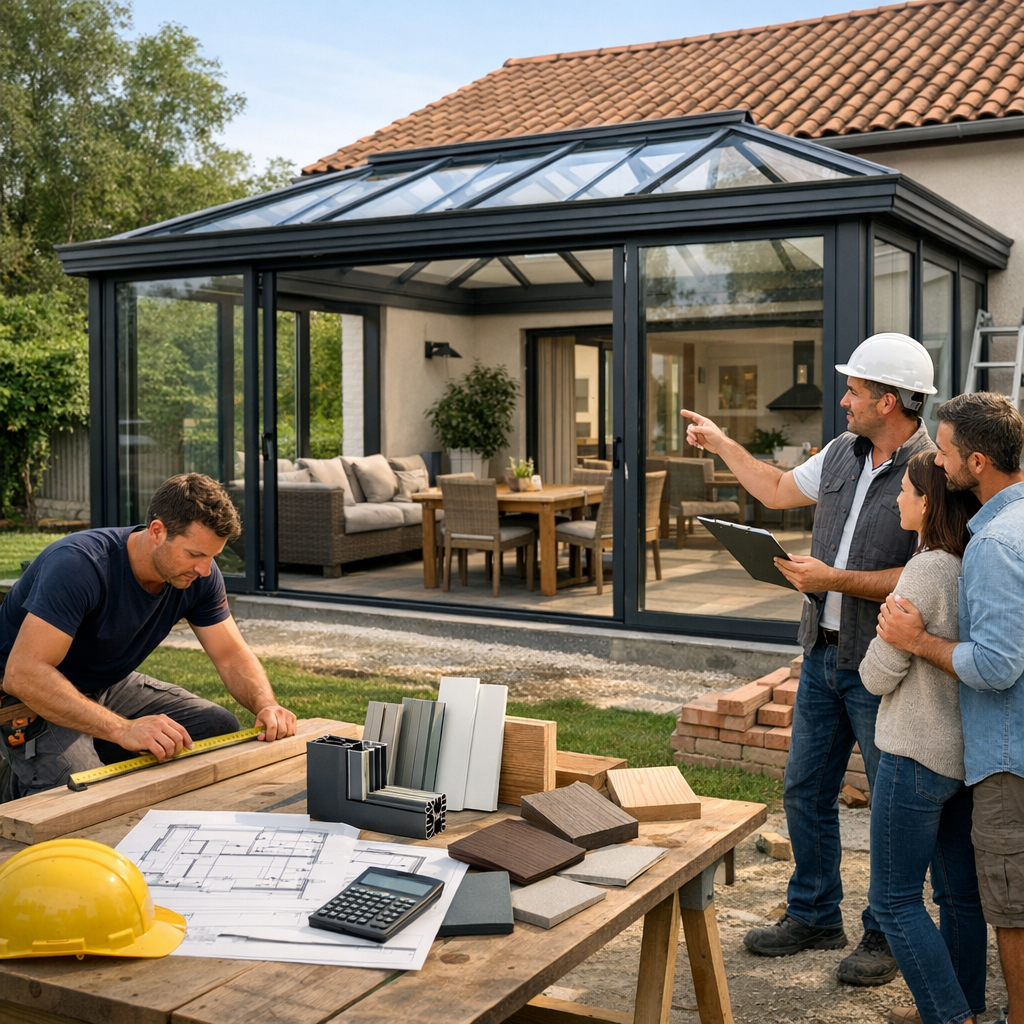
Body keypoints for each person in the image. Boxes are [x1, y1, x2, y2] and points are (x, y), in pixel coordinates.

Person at [682, 332, 936, 986]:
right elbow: (771, 488)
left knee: (888, 803)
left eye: (853, 390)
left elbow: (926, 575)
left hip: (883, 666)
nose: (843, 400)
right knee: (804, 788)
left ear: (887, 400)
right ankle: (816, 911)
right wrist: (722, 443)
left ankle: (883, 932)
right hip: (822, 657)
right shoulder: (841, 452)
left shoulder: (932, 471)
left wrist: (836, 581)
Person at [0, 473, 297, 801]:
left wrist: (266, 704)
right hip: (28, 695)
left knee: (217, 727)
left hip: (105, 684)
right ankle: (18, 784)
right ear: (157, 531)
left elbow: (230, 655)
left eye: (213, 556)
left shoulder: (200, 576)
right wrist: (123, 729)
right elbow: (23, 675)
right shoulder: (78, 565)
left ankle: (84, 751)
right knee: (83, 793)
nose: (205, 569)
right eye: (195, 554)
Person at [877, 392, 1024, 1024]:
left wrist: (913, 642)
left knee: (989, 906)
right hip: (974, 754)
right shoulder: (991, 539)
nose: (936, 461)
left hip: (991, 756)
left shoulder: (990, 545)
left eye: (943, 452)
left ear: (979, 460)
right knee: (967, 896)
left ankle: (959, 1013)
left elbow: (996, 666)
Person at [861, 451, 984, 1024]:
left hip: (913, 755)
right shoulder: (971, 560)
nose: (896, 498)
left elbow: (876, 672)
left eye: (906, 491)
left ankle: (946, 1014)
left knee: (894, 900)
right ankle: (964, 1006)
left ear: (929, 502)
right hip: (962, 757)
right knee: (958, 896)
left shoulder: (926, 569)